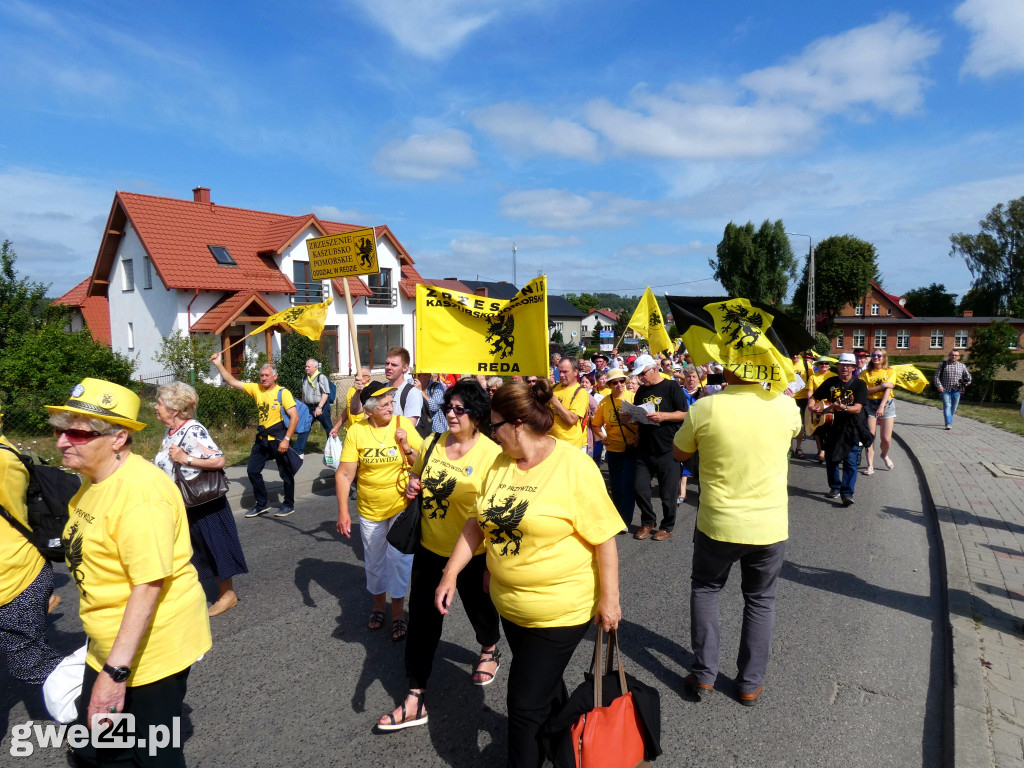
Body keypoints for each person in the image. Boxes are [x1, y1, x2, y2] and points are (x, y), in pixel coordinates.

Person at [435, 379, 623, 768]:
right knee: (546, 690)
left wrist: (611, 600)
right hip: (512, 607)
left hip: (560, 611)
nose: (491, 434)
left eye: (495, 426)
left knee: (523, 705)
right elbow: (477, 523)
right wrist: (451, 572)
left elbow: (604, 538)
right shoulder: (500, 464)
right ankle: (566, 757)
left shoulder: (574, 466)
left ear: (517, 424)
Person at [47, 378, 211, 766]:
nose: (61, 441)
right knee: (100, 746)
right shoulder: (96, 481)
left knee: (152, 753)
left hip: (148, 650)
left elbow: (148, 585)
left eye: (77, 433)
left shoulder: (140, 494)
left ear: (118, 437)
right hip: (109, 640)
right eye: (58, 430)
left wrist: (115, 674)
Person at [377, 380, 503, 731]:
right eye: (448, 406)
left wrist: (493, 561)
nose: (450, 413)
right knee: (423, 623)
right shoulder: (432, 443)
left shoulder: (493, 455)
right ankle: (415, 695)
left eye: (459, 409)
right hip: (431, 550)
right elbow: (414, 481)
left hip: (474, 554)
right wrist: (411, 486)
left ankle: (490, 647)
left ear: (477, 414)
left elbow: (495, 514)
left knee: (480, 611)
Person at [673, 367, 801, 707]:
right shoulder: (785, 406)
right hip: (768, 525)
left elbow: (679, 453)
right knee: (760, 600)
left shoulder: (705, 407)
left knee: (706, 589)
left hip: (718, 523)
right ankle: (748, 684)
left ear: (727, 369)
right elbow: (796, 431)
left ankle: (703, 675)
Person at [335, 382, 423, 641]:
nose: (390, 407)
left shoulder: (402, 424)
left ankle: (397, 613)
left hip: (401, 508)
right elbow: (344, 474)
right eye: (384, 404)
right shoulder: (357, 432)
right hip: (370, 509)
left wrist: (406, 446)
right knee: (374, 562)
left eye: (391, 402)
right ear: (370, 410)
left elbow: (424, 460)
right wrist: (343, 511)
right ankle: (377, 606)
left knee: (398, 561)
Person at [153, 382, 248, 617]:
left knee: (215, 546)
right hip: (183, 502)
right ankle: (188, 594)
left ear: (175, 410)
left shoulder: (193, 430)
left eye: (160, 403)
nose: (155, 407)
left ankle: (228, 595)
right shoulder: (171, 431)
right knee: (193, 550)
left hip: (204, 502)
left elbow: (218, 460)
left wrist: (185, 458)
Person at [0, 407, 64, 687]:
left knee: (32, 665)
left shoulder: (2, 458)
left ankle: (105, 704)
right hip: (18, 570)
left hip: (13, 578)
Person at [210, 354, 299, 518]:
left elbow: (294, 417)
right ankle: (262, 504)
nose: (264, 378)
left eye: (267, 375)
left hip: (279, 438)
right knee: (252, 470)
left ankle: (288, 504)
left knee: (286, 473)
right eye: (262, 375)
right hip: (263, 439)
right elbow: (232, 381)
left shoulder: (283, 393)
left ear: (275, 376)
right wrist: (218, 364)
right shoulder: (256, 388)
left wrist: (286, 439)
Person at [624, 354, 688, 541]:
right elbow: (640, 415)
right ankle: (648, 521)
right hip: (644, 447)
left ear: (654, 369)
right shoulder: (641, 390)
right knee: (639, 487)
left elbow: (684, 414)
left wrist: (664, 416)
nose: (640, 378)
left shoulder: (671, 386)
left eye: (642, 374)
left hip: (668, 448)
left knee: (668, 494)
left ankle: (667, 526)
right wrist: (631, 417)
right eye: (638, 375)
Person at [807, 353, 870, 507]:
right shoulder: (831, 382)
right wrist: (811, 406)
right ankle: (835, 487)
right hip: (830, 426)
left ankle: (847, 493)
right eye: (842, 364)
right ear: (838, 366)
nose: (845, 368)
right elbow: (813, 397)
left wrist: (844, 407)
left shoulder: (859, 385)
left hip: (851, 427)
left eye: (848, 365)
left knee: (850, 460)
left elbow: (857, 408)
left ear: (854, 368)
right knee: (831, 459)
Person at [591, 368, 638, 526]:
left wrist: (639, 436)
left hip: (632, 447)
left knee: (628, 484)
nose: (619, 385)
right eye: (614, 382)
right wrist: (603, 438)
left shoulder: (633, 397)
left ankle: (626, 519)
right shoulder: (604, 402)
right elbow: (596, 425)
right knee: (616, 485)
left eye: (622, 381)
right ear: (609, 385)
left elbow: (646, 420)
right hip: (613, 449)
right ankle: (618, 517)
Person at [860, 350, 897, 474]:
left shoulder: (890, 371)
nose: (875, 357)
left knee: (886, 439)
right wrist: (882, 386)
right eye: (874, 355)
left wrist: (881, 406)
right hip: (870, 404)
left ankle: (884, 455)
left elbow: (889, 389)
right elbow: (866, 391)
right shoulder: (865, 373)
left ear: (884, 358)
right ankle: (870, 466)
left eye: (879, 356)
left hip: (887, 404)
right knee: (870, 437)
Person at [550, 357, 588, 449]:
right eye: (560, 371)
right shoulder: (553, 388)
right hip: (552, 444)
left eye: (565, 372)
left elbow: (571, 419)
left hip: (571, 446)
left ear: (575, 372)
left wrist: (554, 400)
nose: (562, 375)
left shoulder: (580, 393)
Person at [296, 359, 332, 455]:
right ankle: (298, 451)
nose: (306, 368)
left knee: (328, 428)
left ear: (315, 367)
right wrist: (303, 406)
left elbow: (325, 393)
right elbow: (303, 393)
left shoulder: (321, 377)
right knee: (304, 427)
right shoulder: (305, 378)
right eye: (306, 366)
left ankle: (332, 449)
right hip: (308, 407)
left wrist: (319, 407)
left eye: (309, 366)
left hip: (321, 406)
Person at [934, 349, 972, 430]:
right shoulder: (943, 364)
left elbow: (968, 376)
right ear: (949, 355)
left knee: (953, 408)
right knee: (947, 405)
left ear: (958, 357)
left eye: (955, 355)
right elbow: (936, 376)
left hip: (956, 390)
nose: (953, 356)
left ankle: (949, 419)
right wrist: (939, 386)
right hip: (945, 389)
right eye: (952, 355)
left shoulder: (962, 366)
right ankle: (948, 423)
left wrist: (967, 381)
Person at [385, 347, 423, 427]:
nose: (388, 367)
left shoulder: (412, 393)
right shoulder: (380, 389)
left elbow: (408, 427)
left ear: (405, 368)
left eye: (394, 365)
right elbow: (356, 411)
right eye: (387, 363)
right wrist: (358, 392)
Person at [330, 366, 369, 437]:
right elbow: (348, 409)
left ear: (367, 378)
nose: (356, 378)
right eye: (355, 375)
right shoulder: (351, 389)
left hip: (364, 431)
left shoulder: (370, 390)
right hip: (351, 430)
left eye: (358, 375)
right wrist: (337, 427)